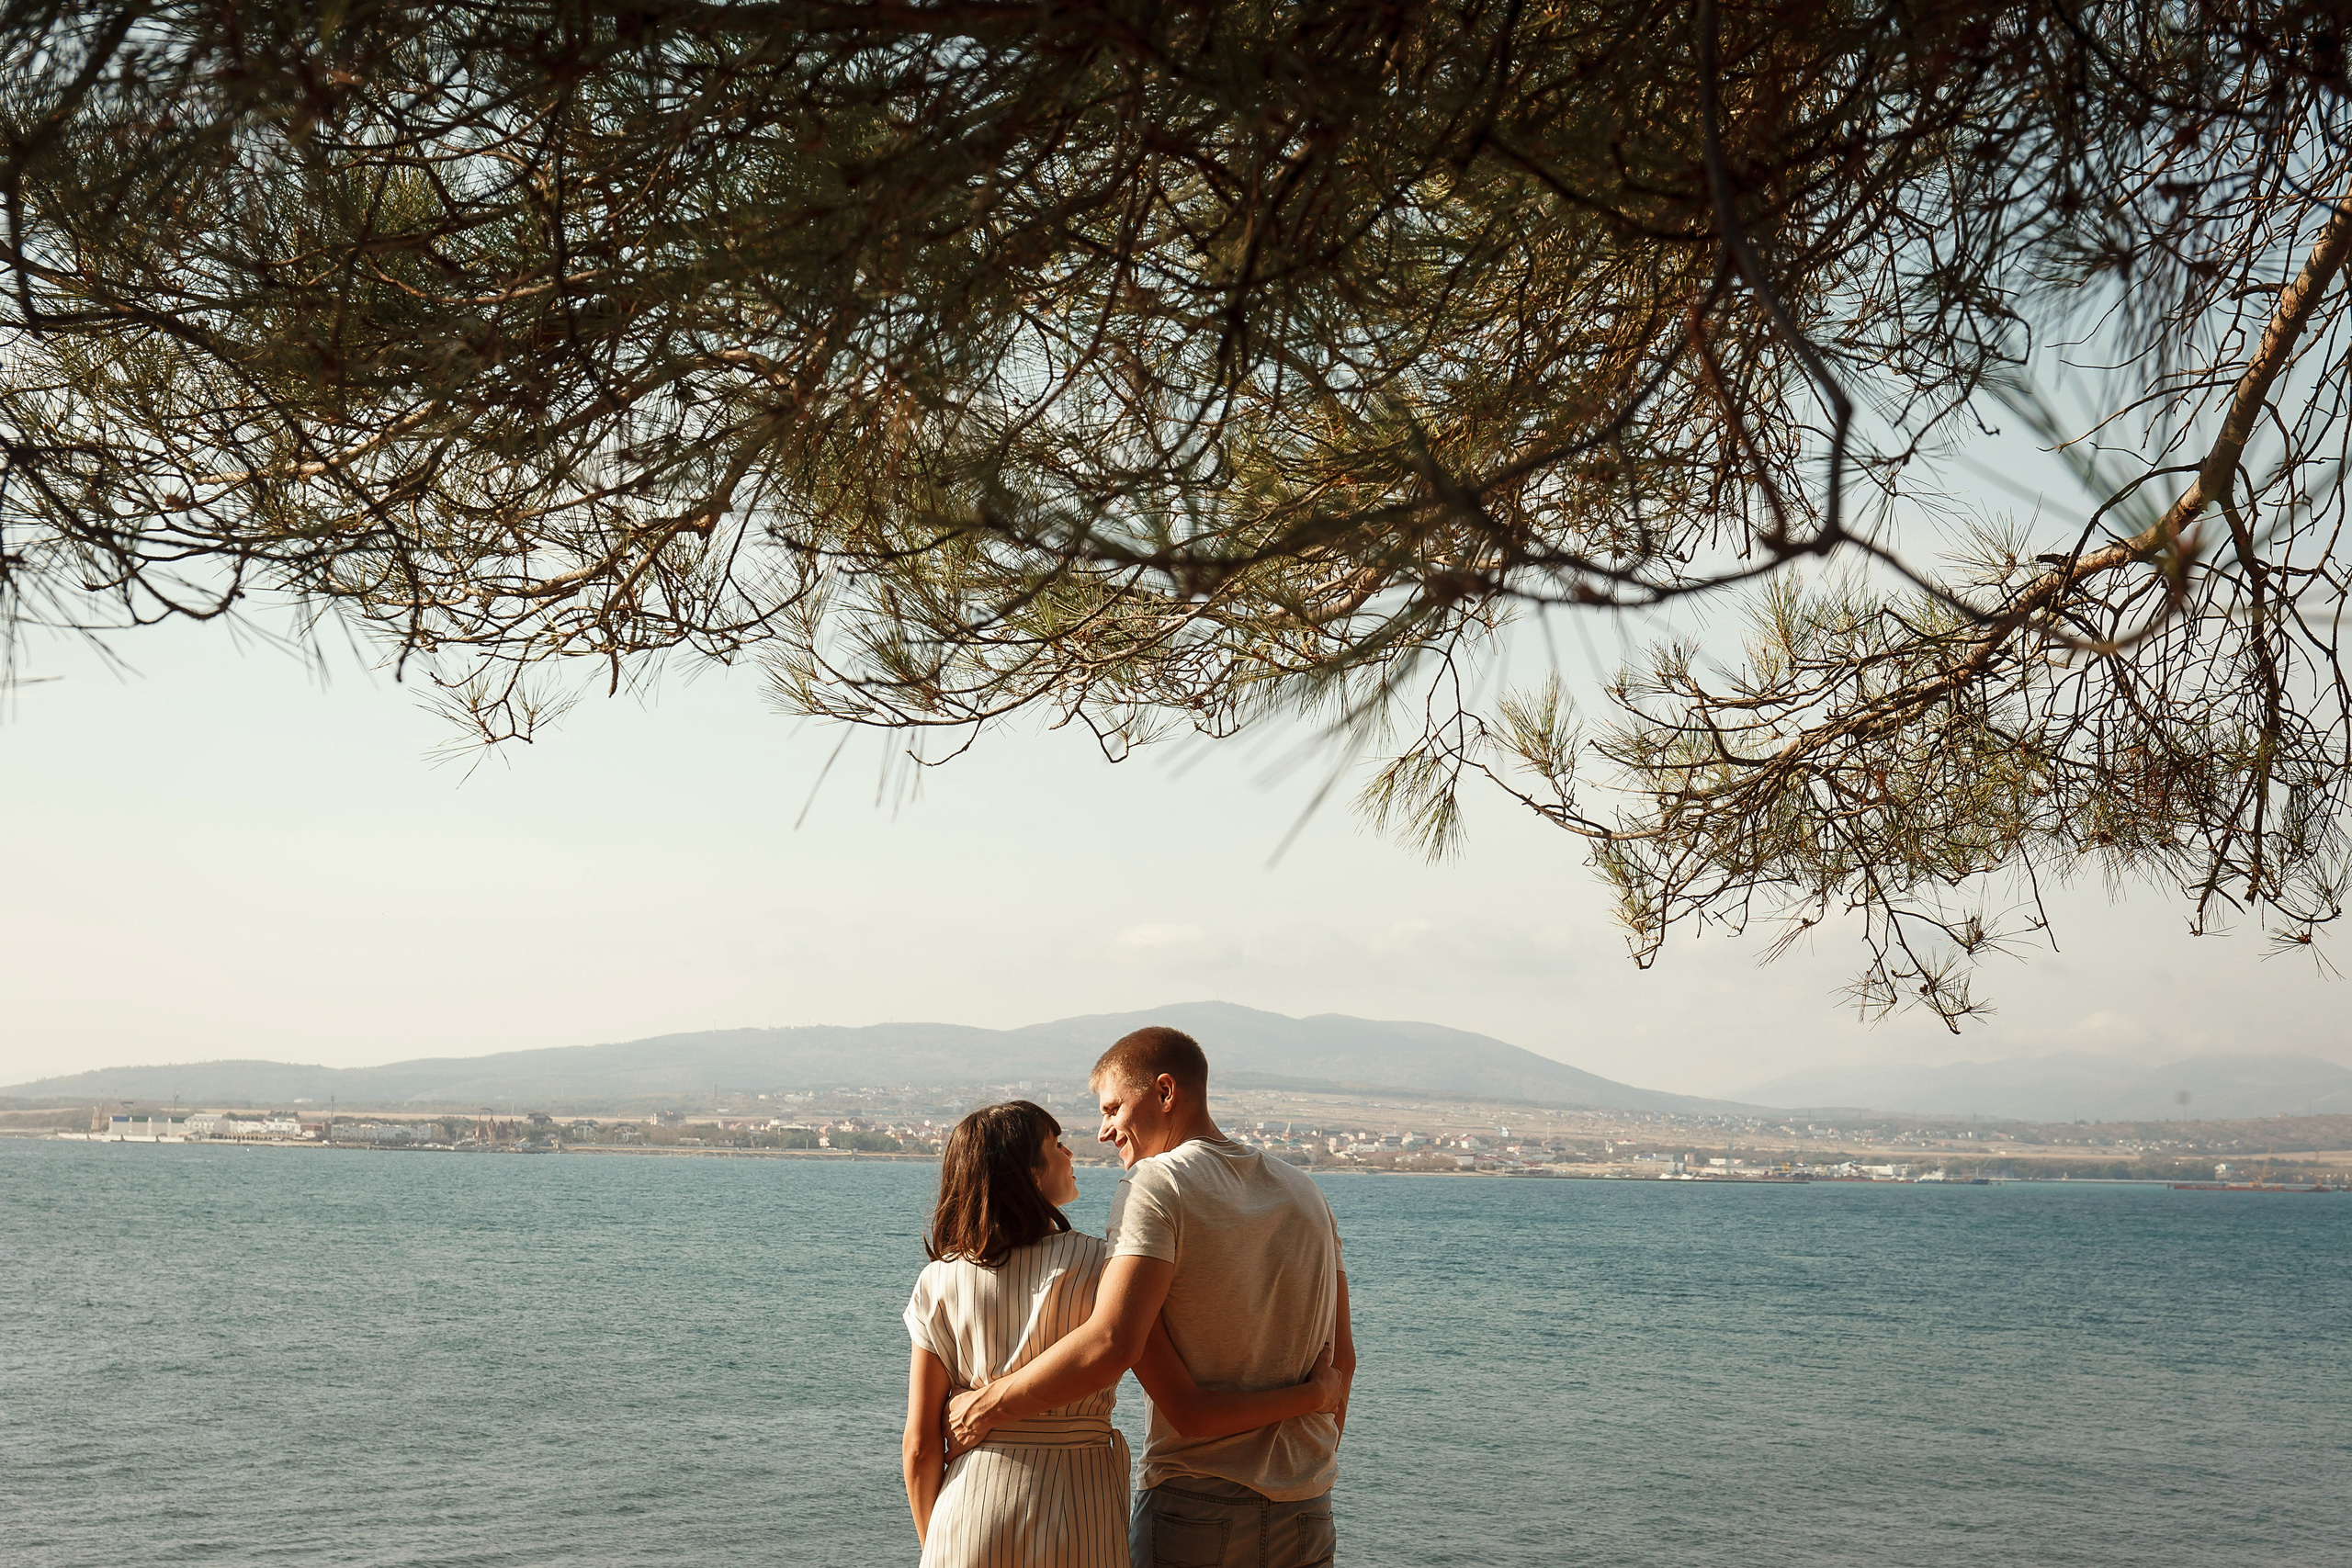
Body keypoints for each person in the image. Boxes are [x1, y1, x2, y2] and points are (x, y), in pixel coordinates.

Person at [947, 1031, 1354, 1568]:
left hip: (1196, 1508)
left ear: (1165, 1092)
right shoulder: (1307, 1193)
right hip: (1308, 1509)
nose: (1104, 1130)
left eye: (1114, 1108)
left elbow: (1115, 1342)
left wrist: (986, 1406)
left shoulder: (1156, 1183)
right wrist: (1310, 1417)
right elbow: (1341, 1364)